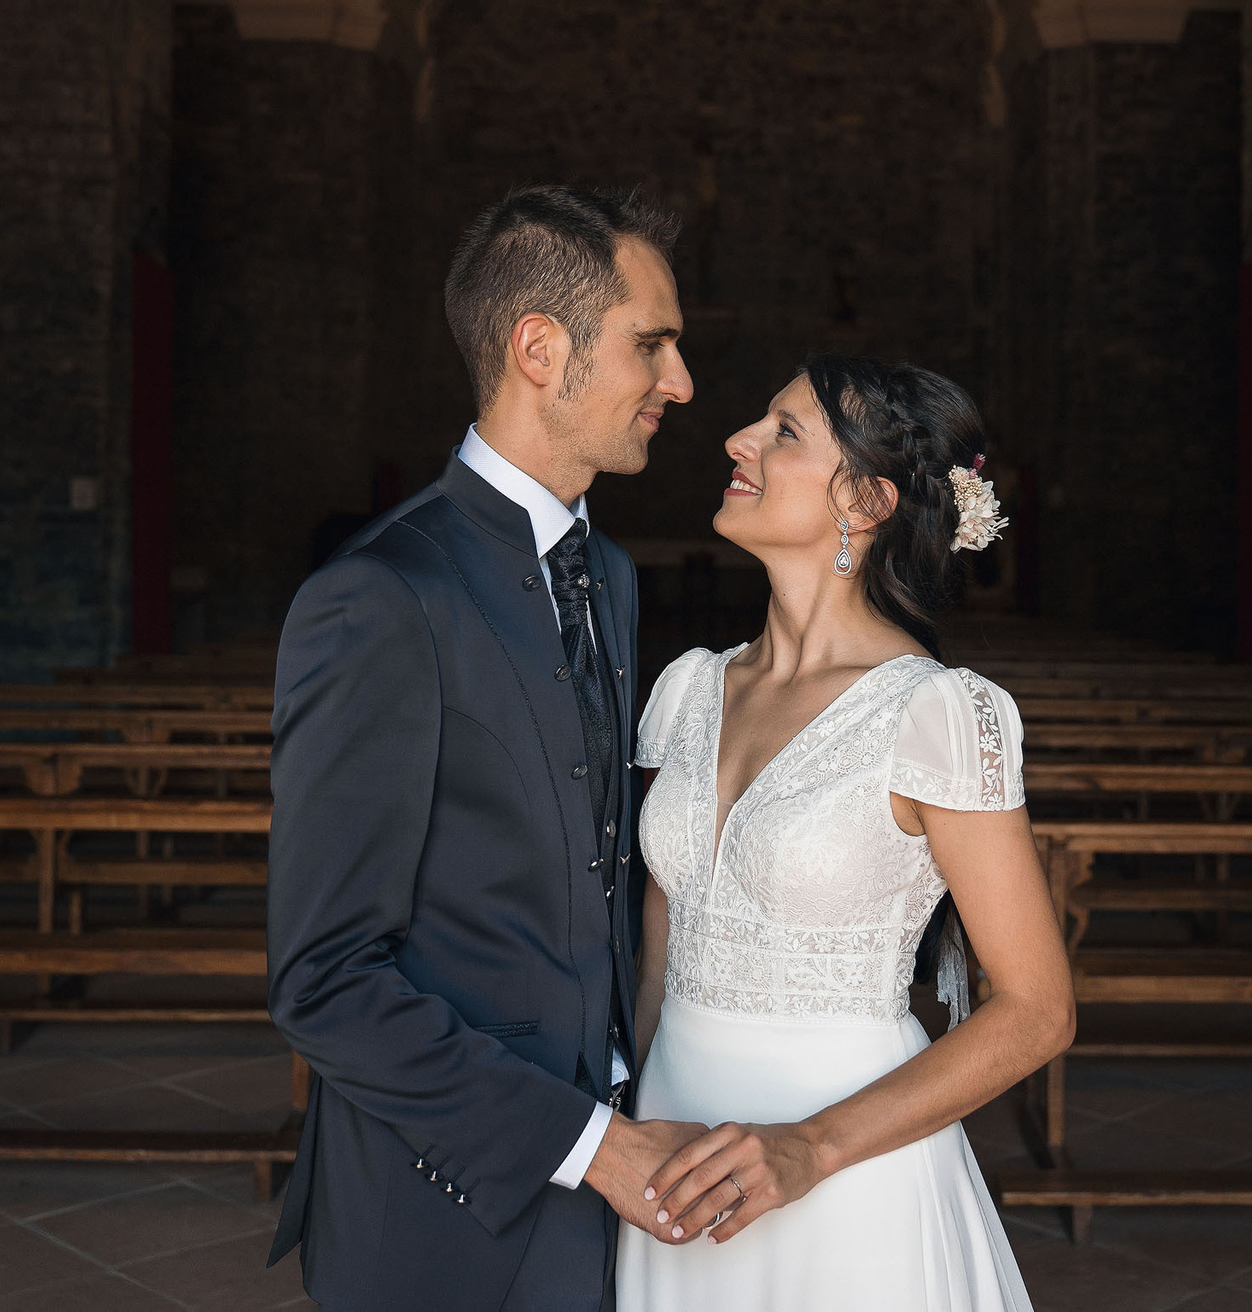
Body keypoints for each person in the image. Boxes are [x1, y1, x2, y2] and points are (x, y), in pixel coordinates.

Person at [264, 186, 708, 1311]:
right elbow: (323, 981)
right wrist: (591, 1146)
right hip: (435, 1209)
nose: (681, 384)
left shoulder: (605, 575)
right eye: (651, 346)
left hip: (603, 1187)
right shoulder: (377, 596)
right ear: (539, 348)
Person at [616, 357, 1076, 1310]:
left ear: (866, 501)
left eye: (783, 432)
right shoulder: (688, 690)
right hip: (675, 1154)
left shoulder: (938, 713)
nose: (738, 441)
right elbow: (660, 953)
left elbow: (1037, 1010)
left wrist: (807, 1147)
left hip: (849, 1164)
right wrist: (632, 1122)